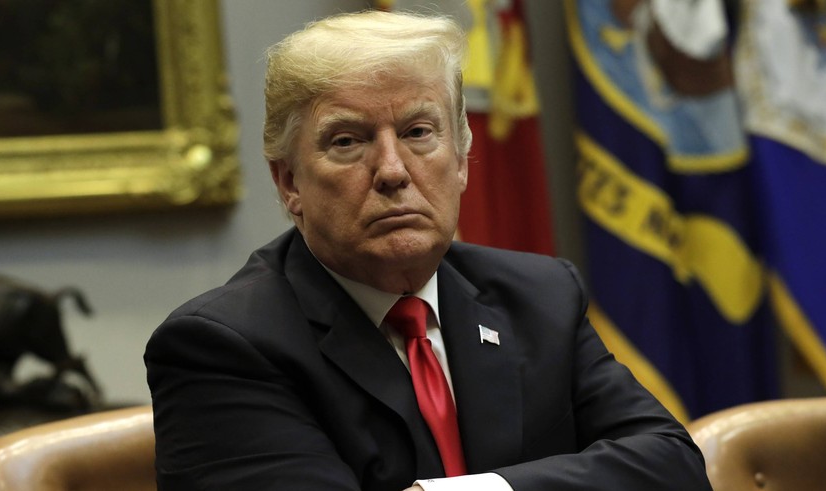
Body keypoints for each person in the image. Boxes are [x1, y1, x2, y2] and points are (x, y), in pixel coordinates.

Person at [144, 9, 712, 491]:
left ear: (462, 160)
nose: (393, 171)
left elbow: (673, 465)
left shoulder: (538, 296)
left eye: (419, 132)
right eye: (348, 141)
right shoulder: (222, 346)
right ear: (290, 182)